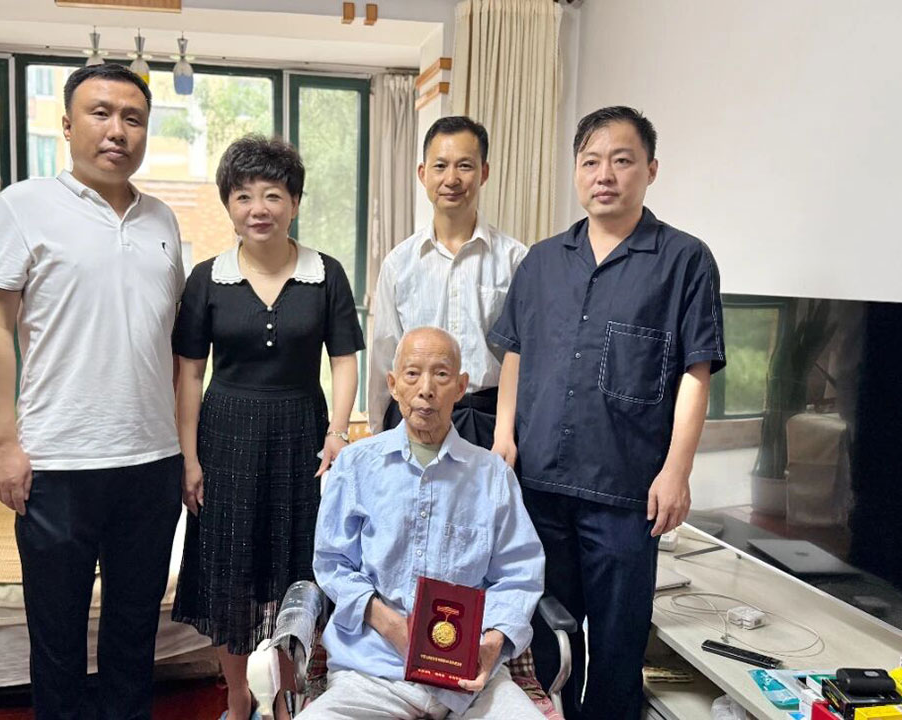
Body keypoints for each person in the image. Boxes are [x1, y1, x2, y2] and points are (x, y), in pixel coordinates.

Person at [489, 106, 726, 720]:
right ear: (576, 170)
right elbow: (515, 352)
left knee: (619, 646)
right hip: (540, 483)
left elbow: (696, 373)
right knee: (546, 639)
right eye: (591, 161)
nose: (605, 175)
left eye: (622, 161)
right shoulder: (542, 261)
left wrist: (677, 471)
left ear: (651, 169)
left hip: (626, 492)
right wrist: (503, 435)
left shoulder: (684, 260)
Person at [0, 64, 186, 719]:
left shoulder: (162, 219)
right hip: (57, 463)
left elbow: (171, 341)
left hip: (151, 462)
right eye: (101, 113)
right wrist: (3, 442)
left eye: (133, 118)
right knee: (57, 639)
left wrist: (185, 449)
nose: (117, 130)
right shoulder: (23, 205)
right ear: (67, 126)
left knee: (134, 635)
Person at [171, 135, 365, 720]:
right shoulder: (207, 279)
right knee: (230, 569)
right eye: (244, 196)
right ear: (228, 206)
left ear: (295, 203)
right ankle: (237, 696)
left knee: (295, 567)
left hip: (301, 434)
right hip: (225, 435)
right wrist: (189, 458)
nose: (259, 208)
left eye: (273, 194)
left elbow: (344, 360)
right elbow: (189, 373)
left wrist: (337, 433)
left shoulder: (325, 275)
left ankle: (281, 695)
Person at [300, 327, 545, 720]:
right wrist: (392, 626)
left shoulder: (493, 476)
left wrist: (493, 643)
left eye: (441, 375)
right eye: (412, 374)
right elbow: (332, 563)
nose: (426, 389)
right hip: (372, 673)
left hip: (473, 683)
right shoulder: (356, 466)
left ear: (461, 386)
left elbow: (520, 575)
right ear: (393, 385)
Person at [368, 116, 527, 448]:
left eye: (464, 166)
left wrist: (513, 432)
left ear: (484, 172)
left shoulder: (515, 260)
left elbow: (525, 357)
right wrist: (379, 434)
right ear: (423, 173)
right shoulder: (399, 263)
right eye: (440, 166)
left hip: (488, 421)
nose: (451, 179)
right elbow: (385, 353)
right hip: (413, 417)